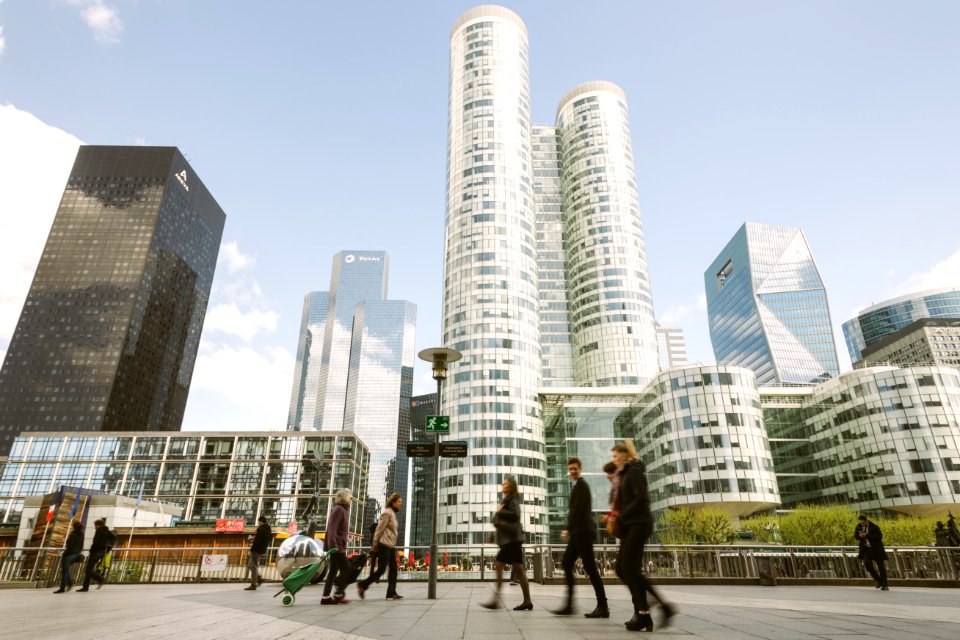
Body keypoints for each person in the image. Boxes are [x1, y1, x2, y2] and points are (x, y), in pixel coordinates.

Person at [611, 441, 674, 632]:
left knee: (629, 568)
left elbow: (640, 498)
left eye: (615, 456)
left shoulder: (634, 471)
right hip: (631, 525)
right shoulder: (624, 474)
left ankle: (649, 611)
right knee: (622, 569)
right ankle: (649, 610)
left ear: (624, 455)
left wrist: (621, 515)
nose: (613, 460)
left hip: (639, 524)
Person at [553, 457, 608, 618]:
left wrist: (567, 529)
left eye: (575, 468)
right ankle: (570, 605)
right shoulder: (576, 486)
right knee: (567, 562)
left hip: (583, 532)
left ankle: (603, 606)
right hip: (579, 532)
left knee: (590, 568)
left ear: (580, 469)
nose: (572, 471)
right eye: (570, 469)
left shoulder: (582, 486)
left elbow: (577, 510)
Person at [481, 476, 532, 611]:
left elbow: (515, 515)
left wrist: (500, 510)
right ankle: (527, 601)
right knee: (519, 570)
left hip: (511, 540)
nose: (502, 486)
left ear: (510, 487)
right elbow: (501, 521)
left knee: (498, 565)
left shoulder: (512, 499)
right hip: (512, 540)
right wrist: (492, 536)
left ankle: (496, 601)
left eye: (505, 484)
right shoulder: (507, 499)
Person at [357, 493, 403, 600]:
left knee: (394, 569)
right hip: (384, 545)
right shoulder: (387, 513)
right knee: (382, 569)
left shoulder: (392, 513)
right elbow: (379, 529)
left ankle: (391, 593)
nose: (401, 504)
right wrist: (374, 544)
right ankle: (363, 584)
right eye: (399, 502)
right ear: (393, 502)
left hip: (390, 545)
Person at [321, 488, 352, 605]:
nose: (351, 499)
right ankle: (338, 594)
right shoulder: (339, 510)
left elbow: (339, 531)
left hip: (338, 545)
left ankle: (325, 597)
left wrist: (346, 538)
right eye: (349, 496)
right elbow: (332, 530)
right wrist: (334, 546)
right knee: (346, 568)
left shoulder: (343, 510)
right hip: (337, 547)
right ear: (344, 497)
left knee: (333, 571)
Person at [855, 514, 888, 590]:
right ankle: (878, 580)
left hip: (877, 549)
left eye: (863, 523)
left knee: (881, 568)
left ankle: (885, 585)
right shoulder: (859, 527)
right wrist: (860, 536)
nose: (862, 524)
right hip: (866, 549)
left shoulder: (875, 527)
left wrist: (867, 535)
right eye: (861, 523)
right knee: (867, 565)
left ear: (866, 521)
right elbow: (856, 537)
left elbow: (879, 537)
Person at [77, 519, 110, 591]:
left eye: (95, 525)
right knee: (89, 569)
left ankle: (100, 578)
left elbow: (96, 542)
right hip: (101, 552)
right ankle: (85, 587)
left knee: (88, 569)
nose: (94, 527)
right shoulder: (107, 531)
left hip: (95, 552)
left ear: (97, 525)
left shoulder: (99, 530)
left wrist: (92, 550)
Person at [54, 520, 85, 593]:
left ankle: (63, 588)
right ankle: (70, 583)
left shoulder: (73, 535)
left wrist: (66, 553)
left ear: (74, 527)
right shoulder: (82, 535)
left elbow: (69, 545)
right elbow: (81, 546)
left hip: (69, 555)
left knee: (64, 571)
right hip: (76, 554)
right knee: (66, 570)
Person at [244, 515, 272, 591]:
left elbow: (258, 541)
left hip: (256, 550)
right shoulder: (268, 530)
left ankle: (253, 584)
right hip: (261, 550)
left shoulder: (260, 529)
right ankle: (258, 577)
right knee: (250, 565)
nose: (258, 523)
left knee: (253, 567)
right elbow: (266, 540)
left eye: (258, 522)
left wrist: (252, 544)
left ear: (260, 521)